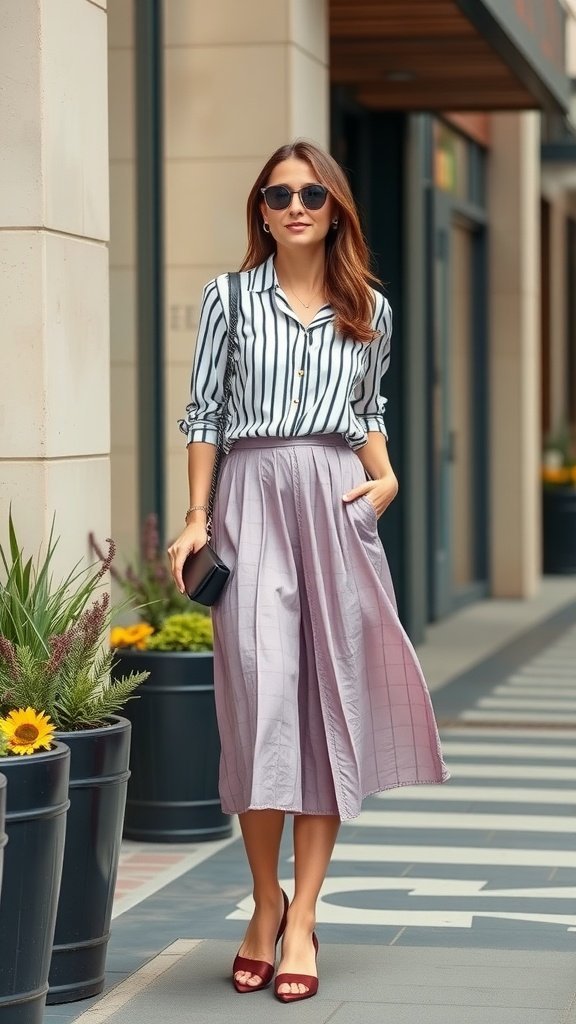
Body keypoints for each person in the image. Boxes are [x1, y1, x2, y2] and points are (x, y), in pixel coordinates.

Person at [168, 139, 449, 1004]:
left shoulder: (371, 306)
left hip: (334, 500)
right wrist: (195, 519)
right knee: (258, 701)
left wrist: (389, 476)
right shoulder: (227, 298)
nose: (296, 206)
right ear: (261, 209)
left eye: (313, 195)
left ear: (336, 209)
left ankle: (302, 918)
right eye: (279, 194)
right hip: (251, 497)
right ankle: (263, 901)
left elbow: (368, 411)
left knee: (329, 705)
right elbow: (205, 413)